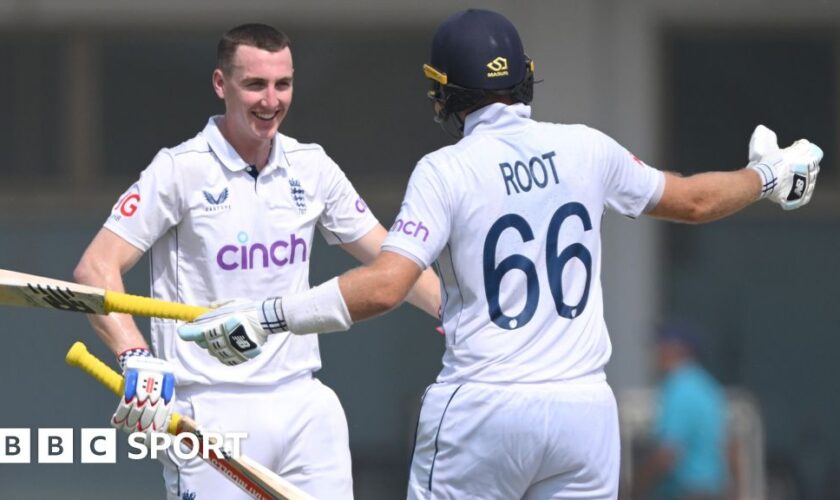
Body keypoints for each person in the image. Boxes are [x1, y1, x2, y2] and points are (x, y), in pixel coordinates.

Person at [177, 9, 822, 499]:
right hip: (583, 411)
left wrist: (266, 318)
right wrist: (766, 178)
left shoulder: (445, 170)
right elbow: (695, 202)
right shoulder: (585, 147)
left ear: (444, 93)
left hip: (483, 409)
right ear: (525, 80)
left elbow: (384, 287)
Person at [73, 23, 441, 500]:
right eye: (255, 85)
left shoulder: (312, 167)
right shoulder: (179, 169)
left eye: (282, 84)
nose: (271, 101)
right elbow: (95, 269)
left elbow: (396, 262)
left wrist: (454, 313)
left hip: (303, 402)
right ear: (221, 84)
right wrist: (136, 357)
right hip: (208, 407)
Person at [633, 322, 729, 500]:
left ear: (675, 350)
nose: (655, 354)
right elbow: (729, 446)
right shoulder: (709, 387)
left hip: (687, 493)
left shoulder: (678, 388)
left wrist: (635, 487)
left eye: (660, 346)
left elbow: (667, 454)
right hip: (714, 491)